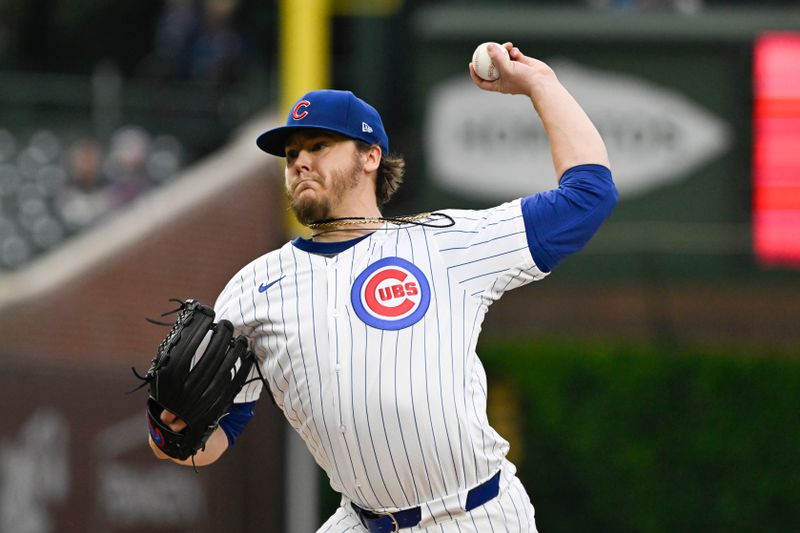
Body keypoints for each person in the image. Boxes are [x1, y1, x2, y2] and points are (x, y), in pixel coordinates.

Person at [149, 42, 618, 532]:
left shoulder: (444, 243)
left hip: (473, 513)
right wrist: (167, 433)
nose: (300, 163)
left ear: (371, 156)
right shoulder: (253, 289)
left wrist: (542, 85)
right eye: (291, 154)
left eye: (318, 146)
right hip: (363, 521)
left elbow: (588, 197)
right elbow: (216, 436)